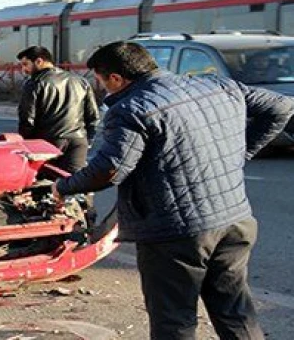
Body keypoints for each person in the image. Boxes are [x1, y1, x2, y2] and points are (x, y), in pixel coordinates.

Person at [52, 41, 294, 339]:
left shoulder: (130, 109)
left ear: (116, 78)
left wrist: (64, 187)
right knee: (235, 312)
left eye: (101, 81)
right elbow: (282, 106)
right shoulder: (218, 86)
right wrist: (240, 152)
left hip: (174, 234)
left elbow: (110, 169)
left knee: (174, 321)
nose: (102, 89)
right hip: (234, 220)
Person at [16, 46, 99, 174]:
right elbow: (93, 115)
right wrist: (88, 141)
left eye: (25, 64)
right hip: (78, 140)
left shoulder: (35, 83)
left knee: (46, 184)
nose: (23, 70)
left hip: (48, 142)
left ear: (39, 61)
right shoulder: (81, 81)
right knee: (74, 184)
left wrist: (27, 144)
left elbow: (27, 118)